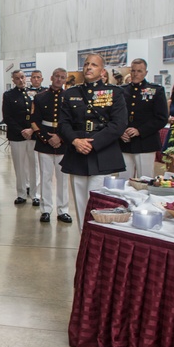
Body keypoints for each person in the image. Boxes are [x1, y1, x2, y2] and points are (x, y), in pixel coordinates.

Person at [58, 54, 128, 228]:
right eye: (86, 64)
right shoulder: (71, 93)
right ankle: (83, 240)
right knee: (81, 204)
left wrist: (92, 143)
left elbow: (119, 124)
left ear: (102, 70)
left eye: (94, 65)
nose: (89, 67)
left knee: (98, 204)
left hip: (102, 153)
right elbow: (63, 123)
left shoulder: (114, 92)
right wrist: (75, 141)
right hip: (77, 153)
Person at [30, 68, 72, 223]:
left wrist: (61, 137)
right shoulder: (40, 97)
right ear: (51, 77)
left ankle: (63, 210)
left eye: (62, 77)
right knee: (45, 177)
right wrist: (45, 138)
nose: (59, 80)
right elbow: (34, 120)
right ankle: (46, 209)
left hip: (63, 142)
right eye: (57, 76)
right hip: (45, 141)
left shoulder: (69, 97)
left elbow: (72, 121)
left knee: (62, 179)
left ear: (65, 80)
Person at [119, 59, 168, 179]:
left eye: (139, 71)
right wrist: (120, 131)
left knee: (145, 179)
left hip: (145, 142)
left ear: (145, 72)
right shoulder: (121, 90)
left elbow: (161, 118)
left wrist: (140, 130)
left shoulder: (156, 90)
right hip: (124, 142)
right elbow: (115, 115)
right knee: (123, 180)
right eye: (133, 71)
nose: (135, 74)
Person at [2, 70, 35, 205]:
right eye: (17, 78)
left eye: (22, 77)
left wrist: (32, 130)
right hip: (17, 135)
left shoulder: (34, 93)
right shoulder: (9, 95)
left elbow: (38, 114)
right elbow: (7, 117)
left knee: (34, 166)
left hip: (34, 134)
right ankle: (21, 193)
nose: (20, 80)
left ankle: (35, 193)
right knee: (19, 166)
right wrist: (22, 131)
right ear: (13, 80)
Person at [25, 71, 46, 206]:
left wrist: (35, 129)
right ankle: (28, 185)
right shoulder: (25, 92)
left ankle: (37, 192)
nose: (36, 79)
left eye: (38, 77)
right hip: (25, 131)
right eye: (34, 77)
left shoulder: (46, 92)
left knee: (38, 165)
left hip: (40, 132)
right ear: (30, 79)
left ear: (42, 79)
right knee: (27, 163)